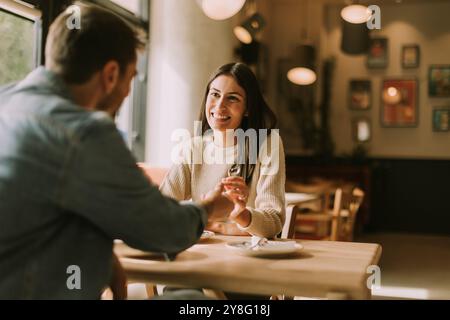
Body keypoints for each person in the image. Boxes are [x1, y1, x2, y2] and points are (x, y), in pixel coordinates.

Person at [0, 4, 231, 300]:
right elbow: (163, 229)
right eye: (131, 78)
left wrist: (97, 255)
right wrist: (211, 207)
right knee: (192, 301)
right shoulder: (84, 132)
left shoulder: (7, 102)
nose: (126, 92)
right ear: (110, 75)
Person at [160, 63, 286, 239]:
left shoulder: (267, 144)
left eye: (232, 98)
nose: (219, 106)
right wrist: (222, 226)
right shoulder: (193, 148)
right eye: (215, 94)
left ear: (248, 108)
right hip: (203, 255)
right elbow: (160, 211)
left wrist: (241, 215)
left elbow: (273, 223)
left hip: (249, 260)